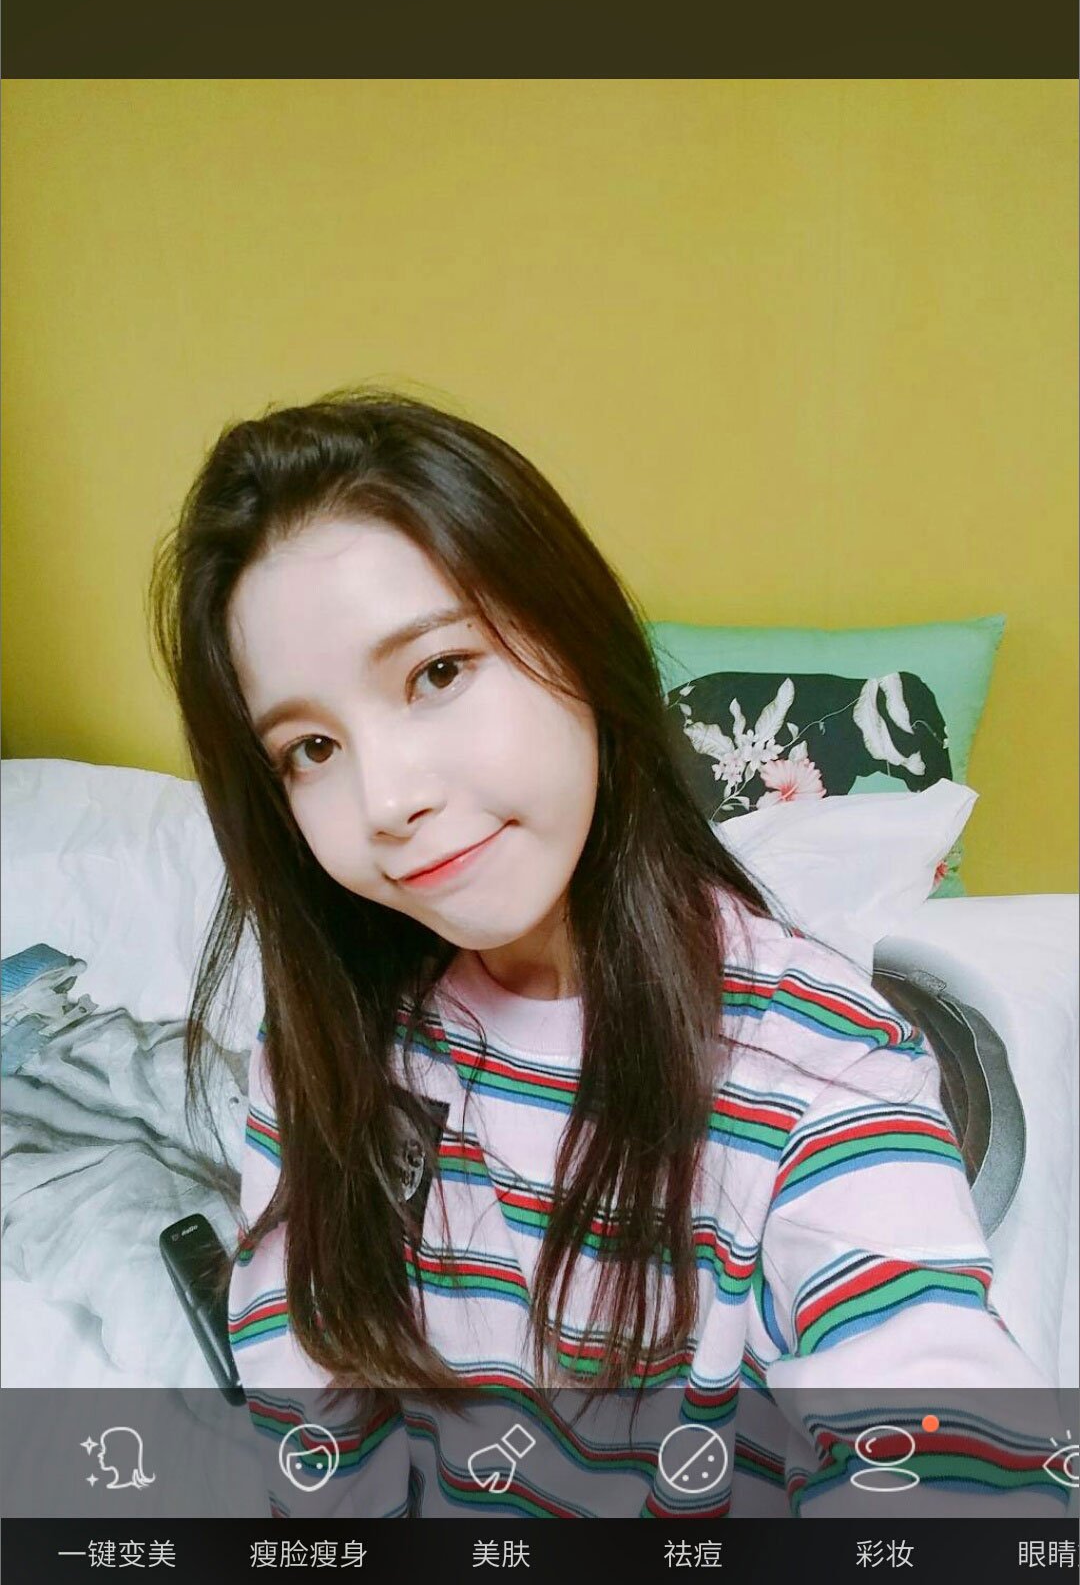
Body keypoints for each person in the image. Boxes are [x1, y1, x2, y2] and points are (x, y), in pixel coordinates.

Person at [149, 389, 1066, 1521]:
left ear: (577, 642)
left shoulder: (815, 1060)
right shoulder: (326, 1040)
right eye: (311, 748)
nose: (386, 800)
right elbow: (315, 1406)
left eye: (438, 673)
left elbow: (938, 1413)